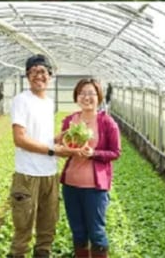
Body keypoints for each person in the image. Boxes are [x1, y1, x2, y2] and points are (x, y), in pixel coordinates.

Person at [9, 55, 78, 258]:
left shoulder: (49, 102)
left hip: (50, 173)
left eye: (43, 72)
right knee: (23, 230)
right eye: (34, 71)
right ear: (28, 76)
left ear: (50, 76)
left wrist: (65, 137)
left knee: (47, 229)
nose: (39, 76)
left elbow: (45, 138)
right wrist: (53, 151)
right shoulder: (21, 100)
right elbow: (20, 139)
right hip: (28, 174)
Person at [58, 78, 122, 258]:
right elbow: (63, 147)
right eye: (82, 93)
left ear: (99, 97)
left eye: (91, 93)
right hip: (70, 185)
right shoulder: (70, 121)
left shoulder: (107, 122)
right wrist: (66, 148)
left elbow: (116, 152)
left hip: (95, 188)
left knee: (96, 232)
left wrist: (93, 153)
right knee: (78, 232)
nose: (86, 97)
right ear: (76, 97)